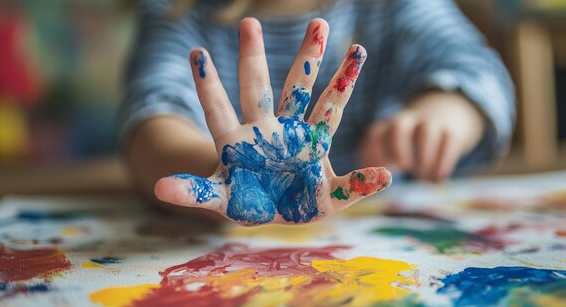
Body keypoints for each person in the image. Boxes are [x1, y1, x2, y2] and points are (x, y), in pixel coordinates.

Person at [119, 0, 515, 225]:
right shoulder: (177, 12)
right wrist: (235, 176)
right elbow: (152, 124)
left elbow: (478, 70)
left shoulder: (393, 6)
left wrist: (443, 114)